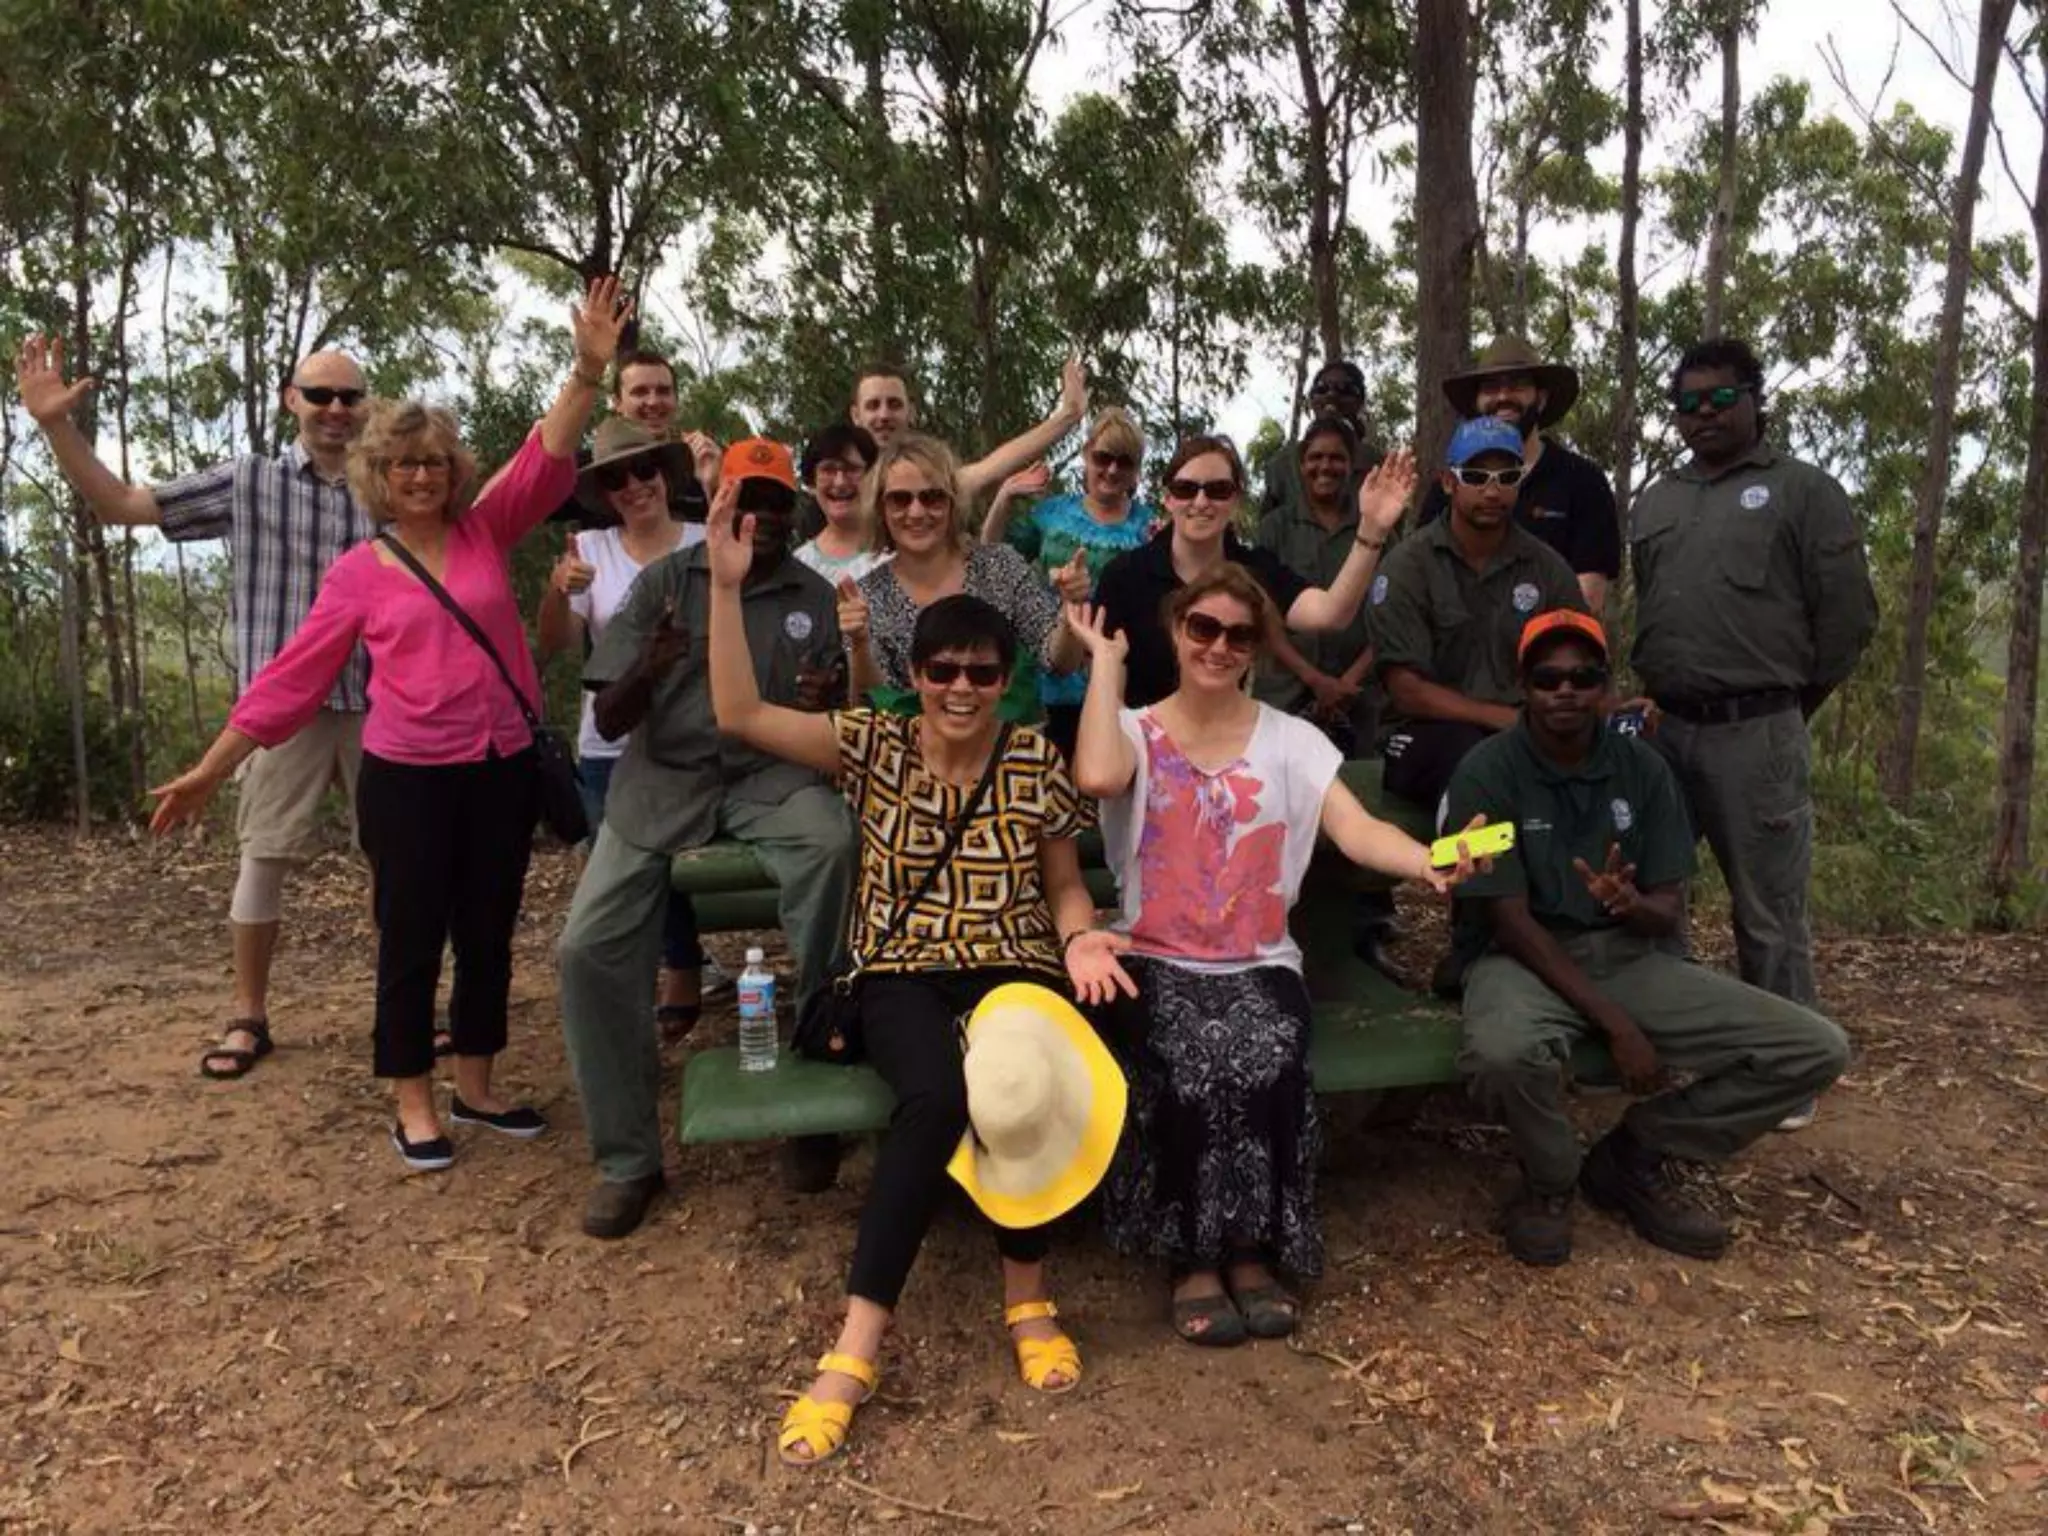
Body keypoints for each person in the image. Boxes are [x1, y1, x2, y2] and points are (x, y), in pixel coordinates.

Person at [149, 276, 633, 1169]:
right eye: (404, 463)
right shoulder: (360, 573)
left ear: (454, 472)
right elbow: (288, 684)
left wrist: (587, 370)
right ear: (381, 474)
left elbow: (544, 453)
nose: (421, 475)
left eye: (435, 462)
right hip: (407, 777)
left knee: (490, 927)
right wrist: (212, 770)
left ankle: (478, 1085)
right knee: (412, 937)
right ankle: (412, 1100)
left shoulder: (487, 530)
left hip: (497, 766)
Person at [706, 494, 1132, 1465]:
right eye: (941, 669)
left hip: (1013, 966)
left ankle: (1024, 1297)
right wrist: (727, 595)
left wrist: (1081, 939)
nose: (960, 687)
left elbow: (1065, 887)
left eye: (982, 672)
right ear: (913, 674)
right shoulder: (873, 744)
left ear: (1004, 678)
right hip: (901, 969)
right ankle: (856, 1347)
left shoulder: (1031, 758)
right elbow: (737, 713)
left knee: (1024, 1081)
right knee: (936, 1097)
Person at [1068, 569, 1472, 1345]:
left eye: (1239, 635)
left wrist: (1429, 858)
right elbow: (1095, 776)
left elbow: (1355, 831)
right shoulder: (1133, 730)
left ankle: (1251, 1254)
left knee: (1268, 1056)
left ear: (1258, 649)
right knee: (1189, 1064)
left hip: (1259, 962)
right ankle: (1191, 1257)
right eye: (1203, 629)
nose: (1219, 646)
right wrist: (1106, 667)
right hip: (1152, 956)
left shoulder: (1295, 742)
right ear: (1177, 631)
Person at [14, 336, 373, 1080]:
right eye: (320, 395)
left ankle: (411, 1011)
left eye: (349, 397)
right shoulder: (248, 482)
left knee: (404, 864)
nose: (336, 410)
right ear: (290, 401)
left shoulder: (392, 485)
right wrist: (56, 425)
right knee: (263, 858)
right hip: (279, 713)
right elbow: (118, 506)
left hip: (382, 703)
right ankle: (249, 1017)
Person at [1448, 610, 1851, 1265]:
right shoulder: (1487, 771)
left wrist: (1633, 904)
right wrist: (1617, 1026)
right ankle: (1551, 1183)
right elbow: (1507, 919)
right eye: (1548, 677)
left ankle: (1638, 1152)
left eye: (1583, 676)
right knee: (1502, 1049)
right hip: (1522, 960)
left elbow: (1667, 910)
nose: (1566, 691)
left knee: (1813, 1048)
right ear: (1524, 685)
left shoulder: (1644, 769)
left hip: (1628, 956)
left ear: (1606, 686)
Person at [557, 442, 855, 1238]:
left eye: (772, 500)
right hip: (662, 782)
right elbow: (612, 718)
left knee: (833, 852)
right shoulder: (665, 582)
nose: (757, 516)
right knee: (587, 947)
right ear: (716, 503)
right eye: (742, 498)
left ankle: (817, 1104)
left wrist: (828, 697)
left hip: (770, 778)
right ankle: (628, 1159)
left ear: (792, 511)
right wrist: (649, 669)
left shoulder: (812, 596)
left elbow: (838, 709)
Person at [1629, 337, 1877, 1130]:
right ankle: (1680, 1047)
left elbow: (1846, 623)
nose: (1703, 415)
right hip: (1665, 729)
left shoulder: (1805, 492)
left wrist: (1784, 708)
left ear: (1754, 400)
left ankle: (1788, 1070)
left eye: (1719, 398)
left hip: (1758, 731)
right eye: (1688, 403)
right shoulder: (1657, 499)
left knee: (1767, 909)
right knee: (1657, 901)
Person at [537, 418, 720, 1042]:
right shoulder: (589, 550)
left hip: (694, 735)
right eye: (617, 477)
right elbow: (555, 644)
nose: (635, 485)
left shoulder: (706, 539)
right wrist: (560, 593)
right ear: (604, 491)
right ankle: (639, 983)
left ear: (666, 476)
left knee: (676, 861)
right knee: (624, 867)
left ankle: (685, 968)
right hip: (610, 740)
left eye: (645, 470)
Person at [1093, 434, 1416, 711]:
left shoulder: (1254, 569)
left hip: (1227, 751)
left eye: (1218, 490)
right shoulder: (1124, 576)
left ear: (1235, 499)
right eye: (1186, 489)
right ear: (1168, 499)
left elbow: (1331, 614)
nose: (1201, 501)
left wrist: (1371, 529)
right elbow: (1108, 691)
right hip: (1141, 751)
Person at [1371, 416, 1588, 812]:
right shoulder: (1408, 566)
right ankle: (1469, 869)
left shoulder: (1548, 569)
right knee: (1476, 759)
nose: (1492, 490)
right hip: (1424, 736)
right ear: (1449, 482)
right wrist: (1503, 719)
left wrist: (1612, 707)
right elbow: (1407, 691)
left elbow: (1582, 661)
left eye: (1507, 476)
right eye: (1476, 476)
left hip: (1524, 729)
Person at [1253, 417, 1400, 972]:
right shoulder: (1272, 530)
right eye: (1314, 458)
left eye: (1336, 458)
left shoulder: (1381, 525)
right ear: (1299, 464)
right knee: (1279, 803)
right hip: (1287, 686)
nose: (1324, 467)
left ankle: (1367, 932)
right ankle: (1279, 923)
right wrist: (1313, 680)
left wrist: (1350, 681)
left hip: (1360, 692)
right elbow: (1262, 612)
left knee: (1356, 804)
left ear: (1352, 463)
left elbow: (1386, 609)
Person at [844, 433, 1086, 721]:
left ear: (952, 503)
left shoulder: (1000, 566)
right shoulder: (868, 596)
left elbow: (1060, 662)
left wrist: (1069, 608)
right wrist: (858, 644)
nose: (917, 511)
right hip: (916, 759)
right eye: (900, 499)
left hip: (1012, 751)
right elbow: (869, 707)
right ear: (881, 509)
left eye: (932, 497)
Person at [979, 407, 1157, 755]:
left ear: (1136, 469)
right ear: (1086, 454)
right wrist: (1004, 497)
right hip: (1046, 676)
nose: (1111, 470)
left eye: (1125, 461)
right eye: (1103, 457)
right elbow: (991, 556)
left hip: (1118, 679)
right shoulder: (1053, 515)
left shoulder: (1147, 527)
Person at [1419, 336, 1620, 613]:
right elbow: (1425, 583)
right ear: (1477, 402)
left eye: (1517, 385)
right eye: (1490, 388)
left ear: (1541, 398)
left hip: (1548, 648)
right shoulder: (1452, 484)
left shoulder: (1584, 481)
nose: (1503, 397)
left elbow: (1586, 600)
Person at [849, 355, 1089, 502]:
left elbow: (990, 468)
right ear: (856, 415)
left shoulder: (930, 481)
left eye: (894, 404)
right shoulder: (835, 485)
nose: (883, 415)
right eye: (872, 406)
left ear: (910, 412)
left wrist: (1067, 417)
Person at [551, 346, 721, 529]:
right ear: (617, 402)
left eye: (663, 391)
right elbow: (525, 505)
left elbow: (731, 542)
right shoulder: (588, 468)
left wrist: (713, 487)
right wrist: (541, 456)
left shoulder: (698, 462)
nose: (653, 402)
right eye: (640, 392)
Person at [1258, 359, 1377, 521]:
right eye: (1322, 389)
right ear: (1312, 400)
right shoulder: (1281, 465)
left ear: (1360, 401)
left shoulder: (1379, 465)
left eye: (1345, 389)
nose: (1331, 395)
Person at [792, 422, 883, 583]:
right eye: (828, 470)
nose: (840, 482)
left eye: (851, 469)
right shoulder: (800, 565)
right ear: (812, 482)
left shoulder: (898, 549)